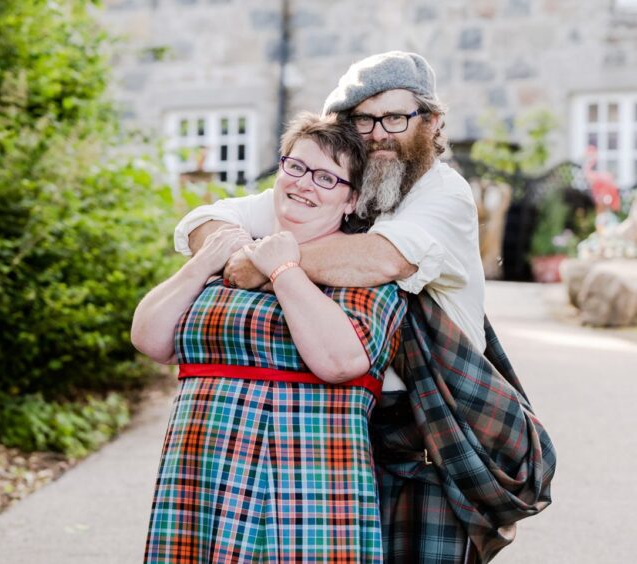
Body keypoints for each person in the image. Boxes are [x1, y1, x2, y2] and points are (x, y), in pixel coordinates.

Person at [174, 52, 555, 563]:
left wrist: (266, 261)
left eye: (395, 118)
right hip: (336, 429)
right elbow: (205, 219)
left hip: (428, 437)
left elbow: (378, 259)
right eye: (363, 119)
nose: (378, 133)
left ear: (432, 122)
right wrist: (235, 246)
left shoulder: (444, 193)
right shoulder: (339, 186)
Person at [132, 112, 407, 562]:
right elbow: (150, 339)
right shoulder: (234, 252)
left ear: (352, 199)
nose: (304, 184)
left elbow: (341, 362)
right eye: (295, 167)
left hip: (308, 483)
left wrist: (283, 269)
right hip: (204, 473)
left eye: (326, 177)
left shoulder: (361, 270)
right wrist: (204, 263)